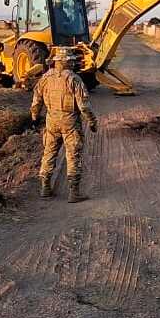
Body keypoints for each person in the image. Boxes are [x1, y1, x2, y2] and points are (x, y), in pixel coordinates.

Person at [31, 46, 97, 203]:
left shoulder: (45, 78)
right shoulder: (74, 79)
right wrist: (92, 121)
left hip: (51, 122)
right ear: (67, 62)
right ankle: (74, 193)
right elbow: (84, 107)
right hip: (70, 123)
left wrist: (34, 116)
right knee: (73, 155)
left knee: (49, 152)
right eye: (72, 61)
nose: (74, 64)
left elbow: (36, 101)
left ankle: (45, 187)